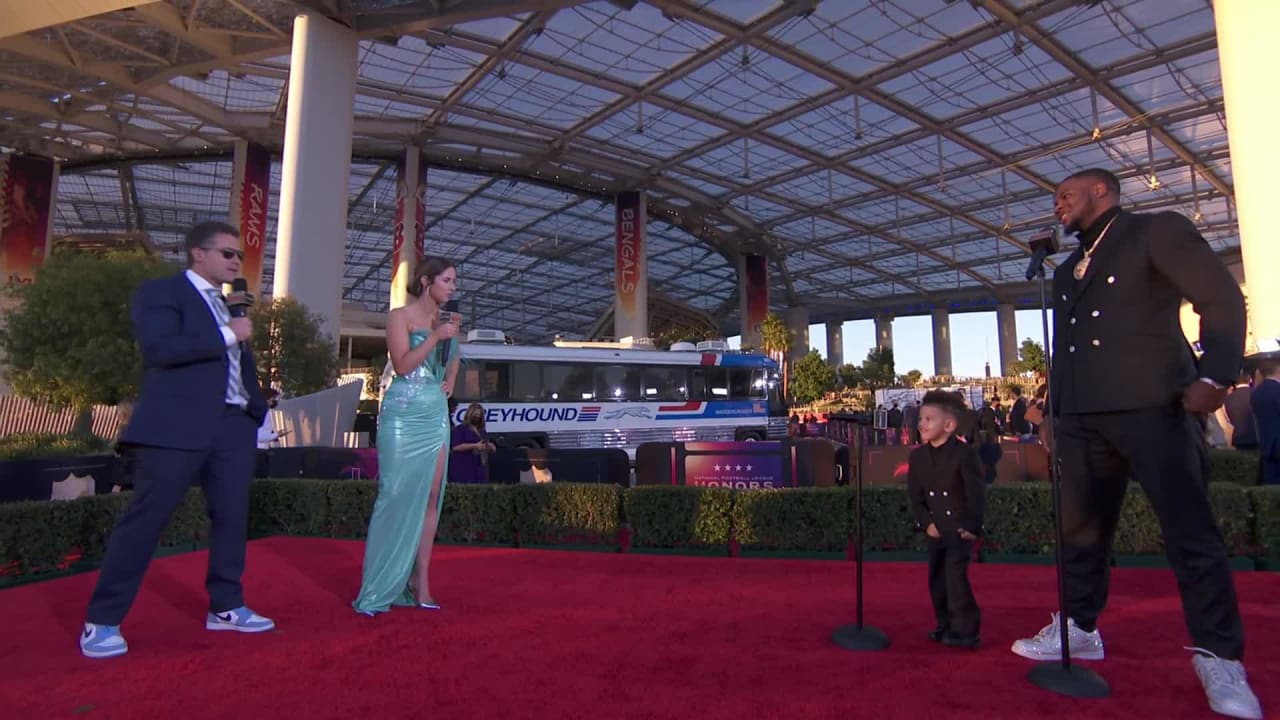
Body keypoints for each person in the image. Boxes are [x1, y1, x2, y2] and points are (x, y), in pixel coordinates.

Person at [1010, 168, 1260, 720]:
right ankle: (1078, 628)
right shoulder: (1070, 268)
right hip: (1082, 416)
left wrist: (1216, 376)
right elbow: (1069, 348)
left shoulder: (1155, 230)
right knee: (1079, 534)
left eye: (1066, 195)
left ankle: (1220, 656)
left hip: (1154, 408)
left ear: (1102, 191)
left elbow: (1220, 298)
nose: (1058, 205)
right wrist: (1054, 413)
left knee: (1190, 535)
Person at [80, 222, 273, 659]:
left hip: (232, 426)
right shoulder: (161, 292)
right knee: (147, 518)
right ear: (197, 254)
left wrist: (255, 407)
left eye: (238, 256)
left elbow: (240, 364)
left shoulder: (230, 306)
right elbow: (160, 349)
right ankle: (102, 621)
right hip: (176, 428)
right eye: (226, 254)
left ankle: (226, 606)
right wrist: (229, 333)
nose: (235, 262)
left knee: (230, 517)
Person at [353, 257, 460, 615]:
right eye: (447, 280)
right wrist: (434, 336)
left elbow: (454, 359)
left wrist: (450, 379)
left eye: (454, 281)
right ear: (427, 281)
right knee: (395, 493)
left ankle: (421, 581)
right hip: (401, 413)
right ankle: (380, 583)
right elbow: (402, 365)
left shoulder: (446, 324)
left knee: (431, 498)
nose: (453, 287)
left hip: (434, 415)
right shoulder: (399, 316)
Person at [906, 390, 985, 649]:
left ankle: (965, 631)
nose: (922, 424)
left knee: (955, 579)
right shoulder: (917, 458)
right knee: (937, 581)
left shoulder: (965, 454)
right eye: (921, 419)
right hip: (934, 530)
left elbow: (975, 493)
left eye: (929, 419)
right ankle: (944, 625)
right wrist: (926, 522)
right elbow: (915, 496)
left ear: (949, 425)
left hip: (959, 530)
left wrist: (972, 526)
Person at [449, 403, 495, 485]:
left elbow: (484, 444)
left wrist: (489, 446)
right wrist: (475, 446)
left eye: (478, 415)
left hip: (479, 467)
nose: (476, 416)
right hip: (463, 467)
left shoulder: (482, 431)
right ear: (469, 414)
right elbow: (455, 447)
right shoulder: (460, 429)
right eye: (475, 414)